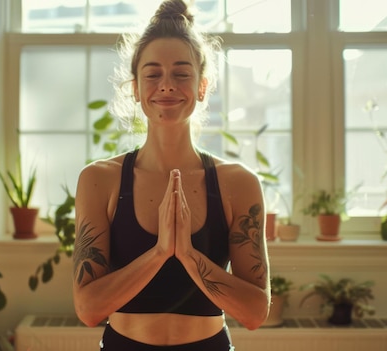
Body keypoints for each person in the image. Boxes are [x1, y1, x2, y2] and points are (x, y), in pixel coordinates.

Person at [72, 0, 271, 350]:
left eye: (181, 73)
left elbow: (255, 313)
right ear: (135, 88)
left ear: (202, 87)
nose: (166, 85)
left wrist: (190, 256)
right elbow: (88, 309)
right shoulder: (99, 180)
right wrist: (160, 252)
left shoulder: (237, 184)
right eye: (152, 74)